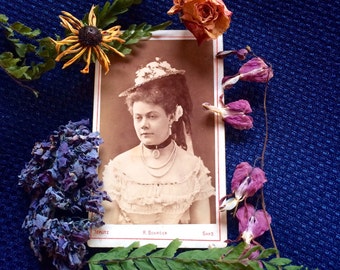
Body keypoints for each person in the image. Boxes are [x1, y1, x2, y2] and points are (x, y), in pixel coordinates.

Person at [102, 57, 215, 224]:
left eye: (152, 116)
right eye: (138, 117)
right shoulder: (119, 168)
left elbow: (203, 233)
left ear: (171, 117)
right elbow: (107, 233)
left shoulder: (193, 168)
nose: (143, 125)